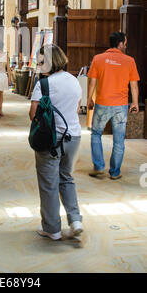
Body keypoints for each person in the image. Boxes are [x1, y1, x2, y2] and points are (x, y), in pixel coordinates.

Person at [29, 44, 83, 241]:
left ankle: (52, 229)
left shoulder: (44, 85)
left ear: (50, 62)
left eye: (41, 61)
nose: (39, 65)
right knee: (67, 178)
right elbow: (76, 109)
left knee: (49, 184)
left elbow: (33, 114)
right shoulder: (74, 81)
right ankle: (75, 220)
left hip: (50, 141)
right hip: (74, 137)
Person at [87, 31, 140, 180]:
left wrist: (89, 99)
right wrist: (135, 102)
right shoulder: (130, 61)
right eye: (125, 42)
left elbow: (92, 82)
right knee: (119, 139)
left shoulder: (98, 59)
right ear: (121, 44)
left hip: (102, 103)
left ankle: (98, 167)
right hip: (121, 106)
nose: (126, 45)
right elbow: (134, 85)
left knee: (96, 134)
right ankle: (115, 172)